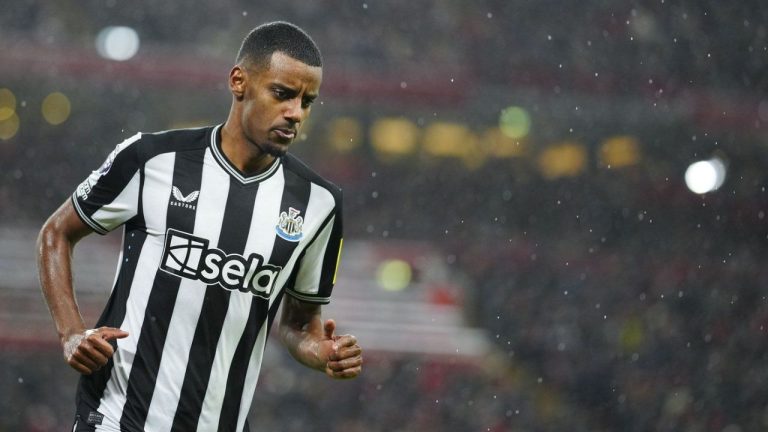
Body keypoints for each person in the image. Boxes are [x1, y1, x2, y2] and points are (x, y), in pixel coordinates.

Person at [36, 21, 363, 431]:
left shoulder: (319, 204)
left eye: (307, 100)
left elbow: (299, 324)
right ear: (239, 81)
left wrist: (323, 351)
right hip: (117, 416)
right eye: (282, 93)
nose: (295, 113)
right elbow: (57, 233)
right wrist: (70, 332)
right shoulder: (152, 159)